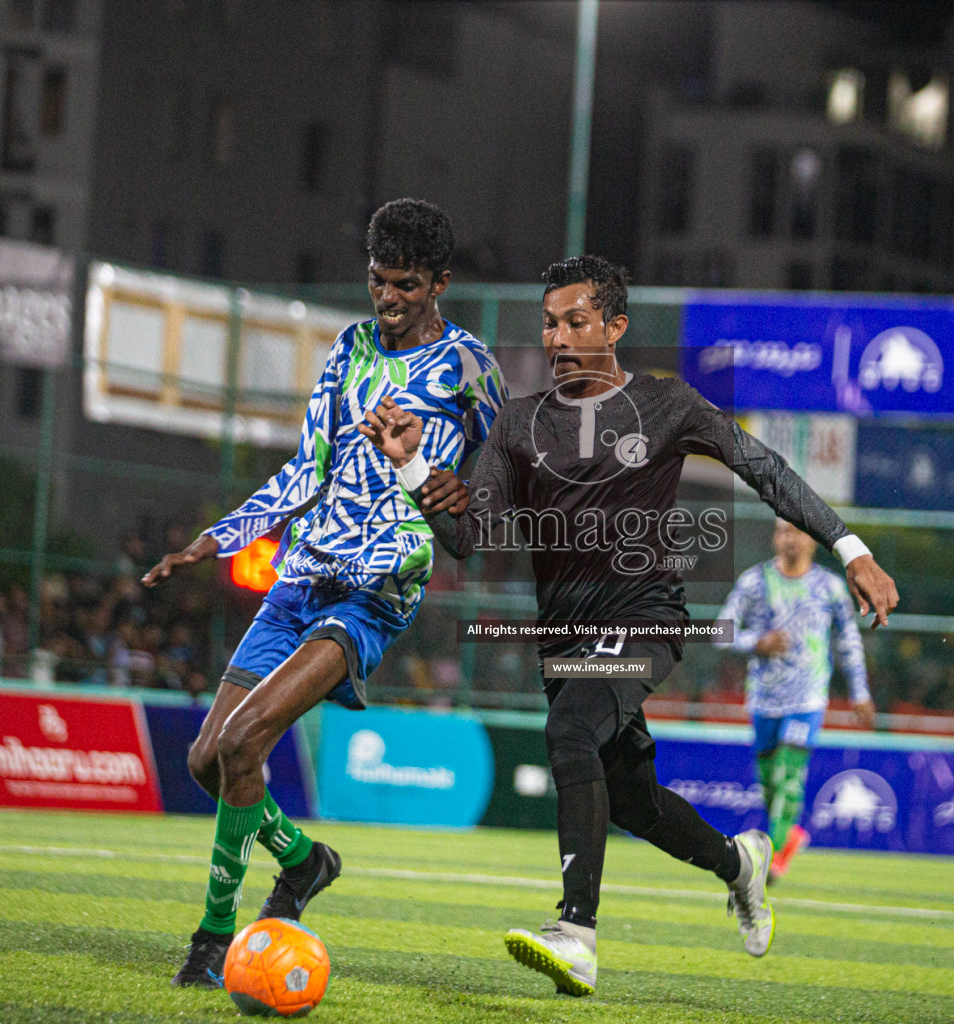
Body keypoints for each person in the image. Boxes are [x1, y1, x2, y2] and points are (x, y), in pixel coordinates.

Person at [361, 255, 898, 997]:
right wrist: (416, 470)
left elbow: (764, 467)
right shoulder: (518, 426)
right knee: (636, 801)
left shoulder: (666, 404)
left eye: (576, 320)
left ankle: (575, 933)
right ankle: (739, 864)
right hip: (564, 641)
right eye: (549, 323)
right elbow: (467, 536)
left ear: (614, 326)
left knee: (570, 735)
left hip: (645, 620)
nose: (558, 337)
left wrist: (851, 549)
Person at [143, 199, 501, 988]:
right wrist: (221, 537)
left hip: (375, 592)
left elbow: (490, 503)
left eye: (406, 284)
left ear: (440, 282)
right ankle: (304, 861)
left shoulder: (471, 369)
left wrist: (441, 493)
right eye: (378, 280)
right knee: (209, 758)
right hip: (302, 576)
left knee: (245, 745)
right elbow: (308, 469)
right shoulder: (349, 347)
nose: (388, 298)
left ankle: (211, 941)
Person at [716, 518, 873, 883]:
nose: (791, 539)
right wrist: (756, 642)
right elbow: (720, 631)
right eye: (783, 531)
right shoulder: (754, 582)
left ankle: (772, 859)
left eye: (798, 532)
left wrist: (860, 692)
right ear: (775, 538)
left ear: (813, 541)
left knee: (789, 776)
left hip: (808, 697)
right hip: (764, 699)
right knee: (770, 784)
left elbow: (849, 640)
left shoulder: (830, 588)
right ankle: (790, 835)